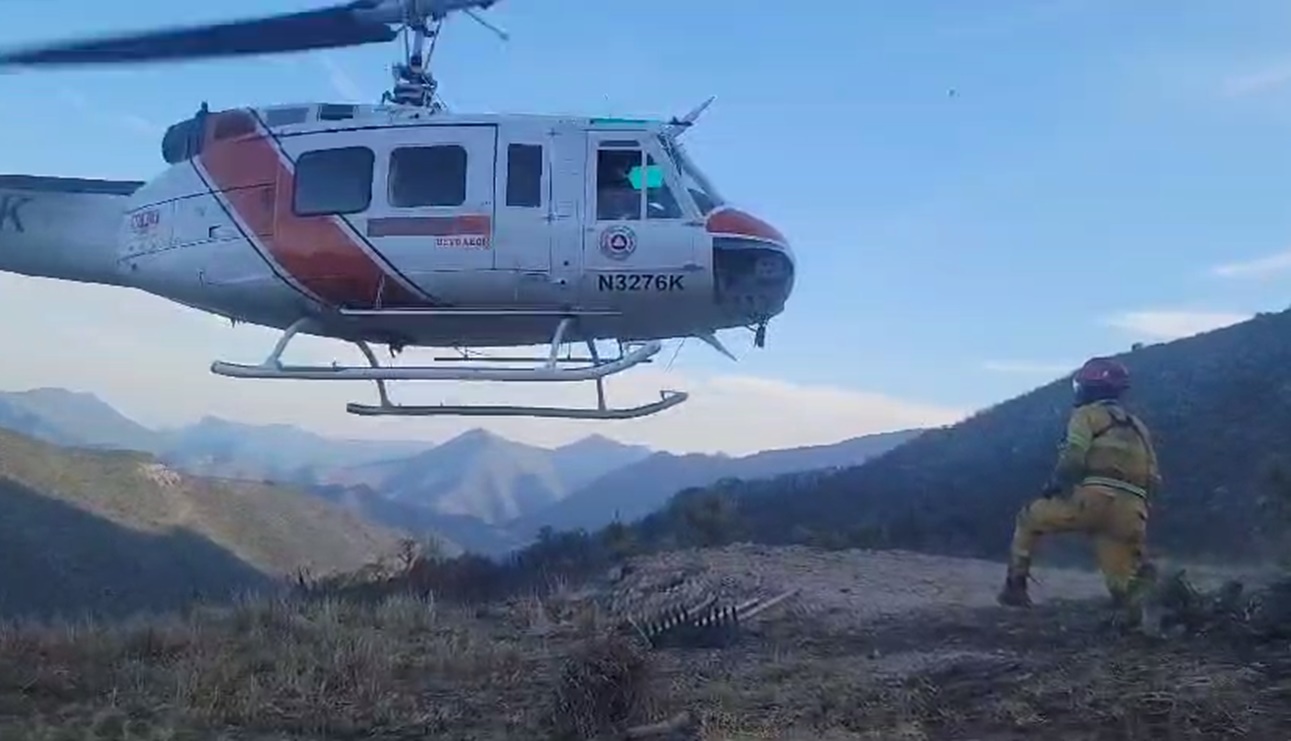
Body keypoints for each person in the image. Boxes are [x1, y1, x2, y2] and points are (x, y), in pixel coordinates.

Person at [998, 356, 1163, 618]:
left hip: (1093, 499)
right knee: (1124, 588)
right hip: (1132, 511)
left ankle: (1015, 588)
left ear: (1090, 388)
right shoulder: (1138, 426)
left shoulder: (1086, 415)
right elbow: (1154, 479)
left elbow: (1074, 454)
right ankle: (1144, 604)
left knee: (1029, 518)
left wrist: (1056, 485)